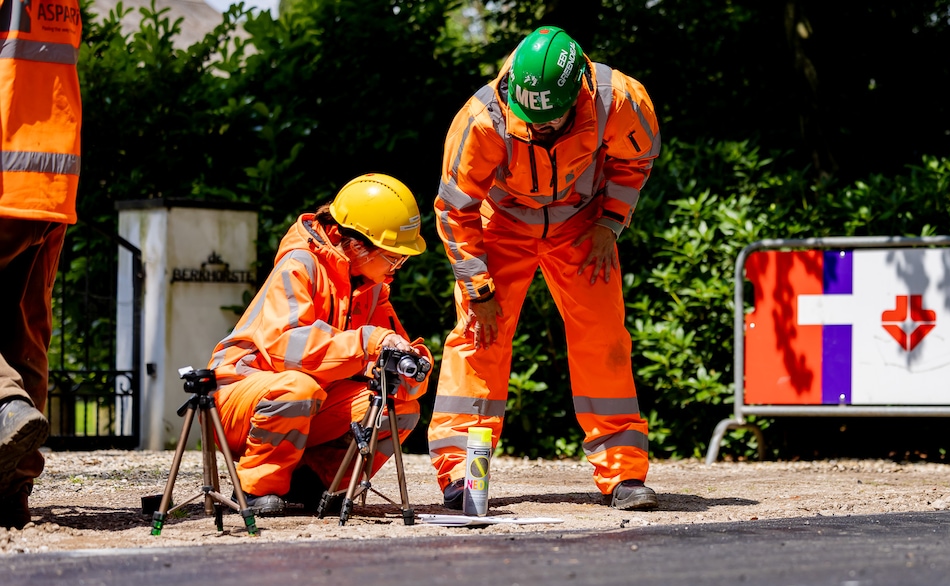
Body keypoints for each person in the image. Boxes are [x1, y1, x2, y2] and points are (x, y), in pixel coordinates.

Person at [428, 26, 661, 510]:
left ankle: (622, 475)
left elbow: (636, 160)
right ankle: (462, 477)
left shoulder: (618, 101)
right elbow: (454, 210)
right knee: (479, 340)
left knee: (604, 339)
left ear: (578, 92)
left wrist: (611, 223)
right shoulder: (483, 120)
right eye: (528, 120)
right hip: (502, 224)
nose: (535, 130)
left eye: (547, 122)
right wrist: (480, 292)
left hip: (581, 225)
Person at [206, 174, 433, 515]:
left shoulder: (371, 288)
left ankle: (317, 484)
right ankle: (254, 489)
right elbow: (289, 350)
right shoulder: (300, 265)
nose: (397, 268)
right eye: (393, 258)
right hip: (236, 398)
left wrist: (411, 372)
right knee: (297, 387)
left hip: (305, 403)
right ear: (357, 245)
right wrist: (366, 343)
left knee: (398, 407)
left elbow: (388, 353)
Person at [0, 0, 84, 528]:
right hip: (50, 185)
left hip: (5, 176)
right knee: (23, 332)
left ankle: (5, 404)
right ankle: (10, 489)